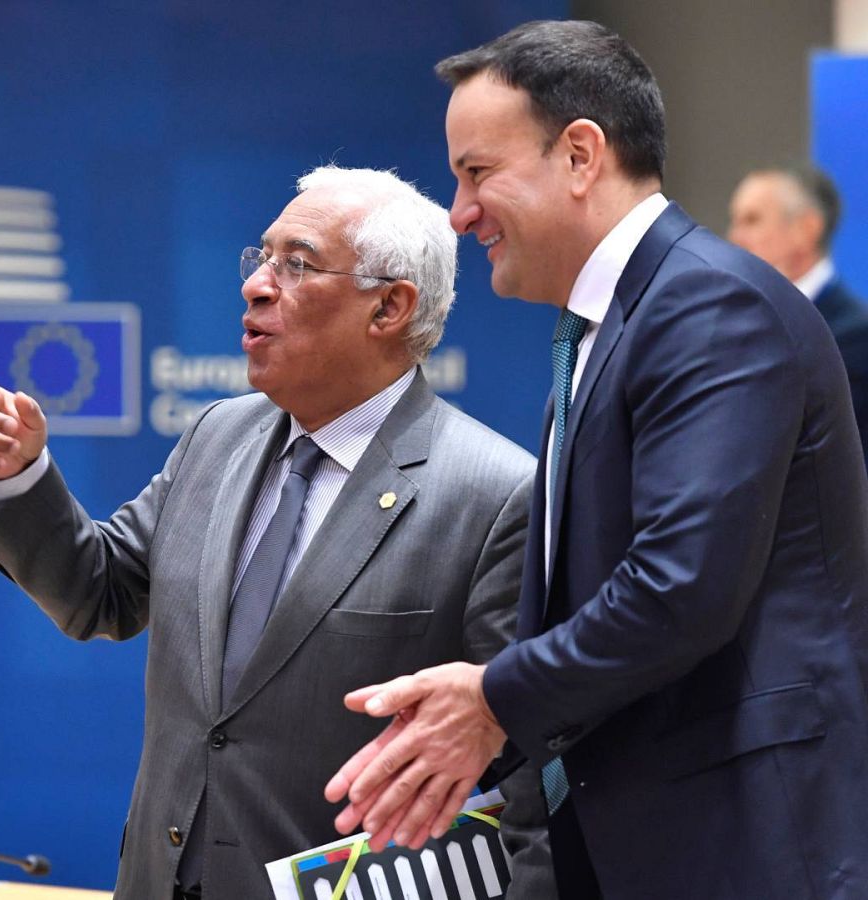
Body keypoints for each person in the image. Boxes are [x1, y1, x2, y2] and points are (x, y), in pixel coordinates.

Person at [326, 20, 868, 899]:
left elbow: (680, 589)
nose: (459, 215)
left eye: (477, 173)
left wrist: (496, 697)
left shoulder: (708, 310)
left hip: (741, 847)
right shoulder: (606, 329)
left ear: (581, 154)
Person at [0, 165, 550, 899]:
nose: (256, 285)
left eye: (296, 265)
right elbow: (99, 593)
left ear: (389, 308)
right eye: (261, 258)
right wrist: (19, 475)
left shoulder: (496, 493)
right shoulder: (215, 435)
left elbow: (525, 776)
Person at [729, 163, 868, 455]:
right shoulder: (729, 324)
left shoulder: (857, 336)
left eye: (752, 220)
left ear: (807, 228)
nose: (735, 238)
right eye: (735, 221)